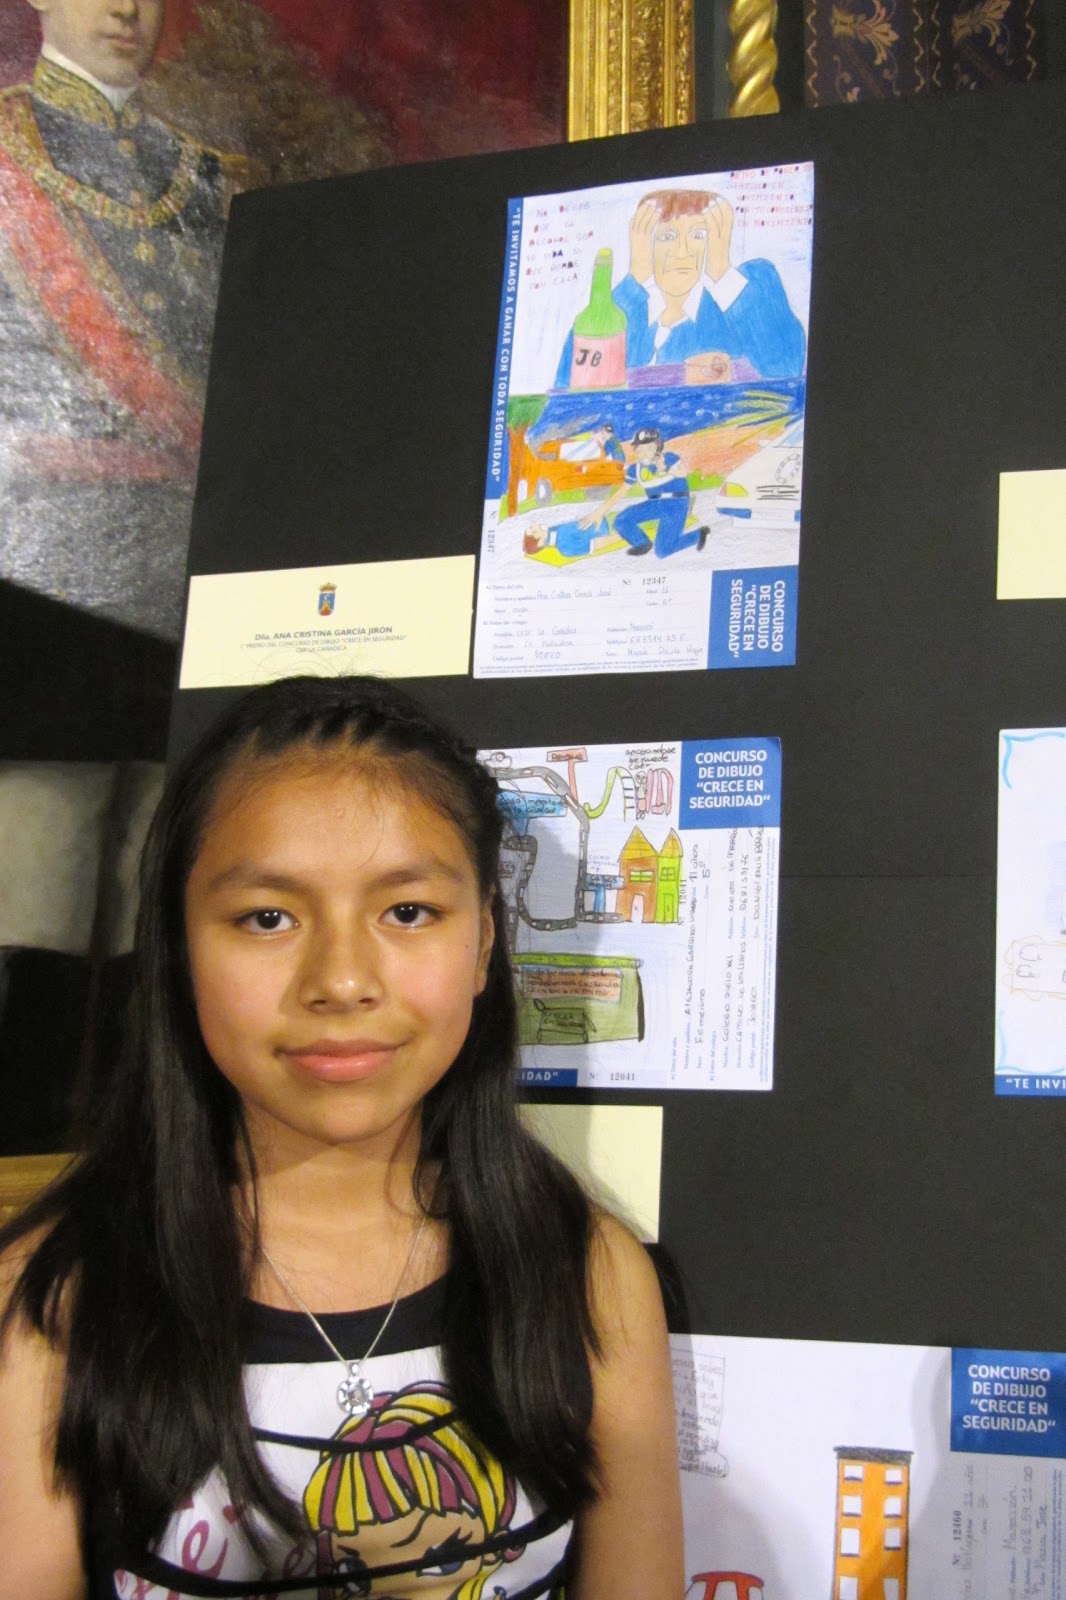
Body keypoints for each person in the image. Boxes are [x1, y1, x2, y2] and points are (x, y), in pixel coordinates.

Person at [0, 675, 683, 1598]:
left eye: (408, 912)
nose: (342, 980)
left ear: (484, 941)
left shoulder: (586, 1274)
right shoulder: (52, 1303)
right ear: (178, 946)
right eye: (268, 918)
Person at [0, 0, 248, 633]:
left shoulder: (206, 174)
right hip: (42, 549)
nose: (127, 10)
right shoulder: (8, 155)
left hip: (193, 557)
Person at [555, 187, 806, 387]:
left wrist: (720, 271)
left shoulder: (746, 289)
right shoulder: (624, 309)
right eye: (667, 236)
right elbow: (569, 386)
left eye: (698, 236)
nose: (683, 251)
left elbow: (786, 367)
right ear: (644, 244)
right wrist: (634, 282)